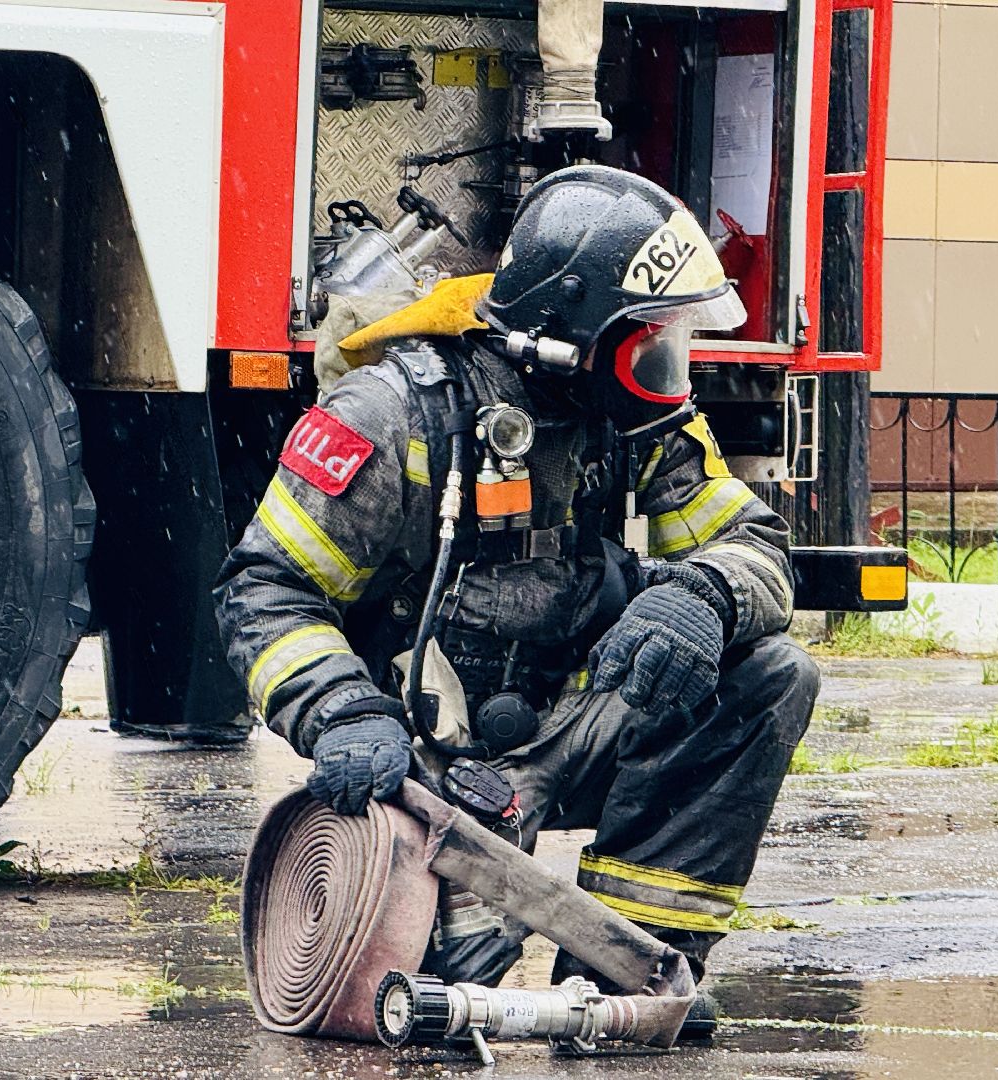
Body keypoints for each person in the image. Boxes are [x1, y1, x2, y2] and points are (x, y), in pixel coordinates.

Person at [214, 165, 819, 1039]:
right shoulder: (392, 415)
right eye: (651, 341)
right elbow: (266, 588)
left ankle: (631, 971)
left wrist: (704, 594)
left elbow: (755, 546)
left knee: (770, 674)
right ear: (571, 335)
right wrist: (343, 713)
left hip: (576, 719)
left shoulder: (635, 413)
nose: (667, 366)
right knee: (430, 1005)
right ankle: (456, 909)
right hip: (431, 758)